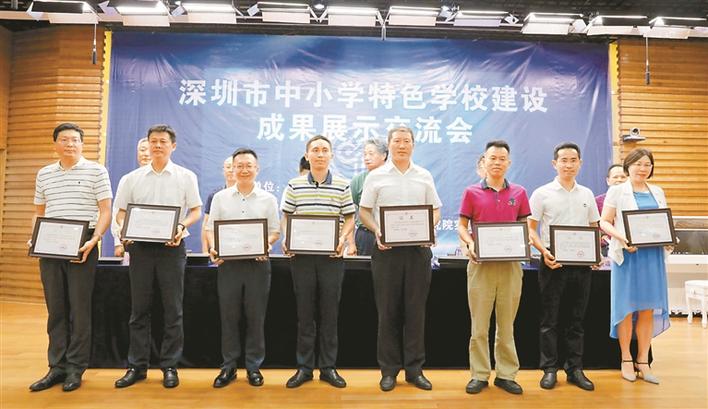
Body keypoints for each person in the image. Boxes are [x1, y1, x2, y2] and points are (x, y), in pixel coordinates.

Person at [113, 124, 202, 389]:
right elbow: (120, 212)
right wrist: (124, 231)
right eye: (153, 141)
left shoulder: (186, 176)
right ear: (148, 145)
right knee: (139, 310)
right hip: (140, 249)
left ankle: (170, 366)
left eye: (163, 141)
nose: (158, 145)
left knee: (173, 310)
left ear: (173, 146)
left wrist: (181, 226)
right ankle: (137, 366)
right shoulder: (131, 178)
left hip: (172, 249)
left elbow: (196, 211)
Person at [29, 123, 112, 392]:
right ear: (55, 144)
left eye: (75, 140)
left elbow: (105, 211)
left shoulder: (97, 171)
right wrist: (35, 238)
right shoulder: (44, 173)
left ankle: (76, 367)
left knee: (79, 309)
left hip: (82, 244)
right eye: (64, 139)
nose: (70, 144)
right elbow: (39, 213)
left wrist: (94, 240)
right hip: (51, 243)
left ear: (82, 144)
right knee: (56, 309)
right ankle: (56, 366)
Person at [359, 126, 442, 392]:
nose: (402, 145)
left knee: (415, 312)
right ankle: (389, 371)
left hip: (418, 251)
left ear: (413, 145)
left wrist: (429, 229)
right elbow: (364, 212)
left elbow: (436, 211)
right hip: (386, 252)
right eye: (397, 141)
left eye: (407, 141)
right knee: (388, 312)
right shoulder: (376, 176)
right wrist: (377, 230)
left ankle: (415, 370)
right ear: (390, 145)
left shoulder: (424, 175)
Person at [280, 135, 355, 389]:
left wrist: (342, 239)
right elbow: (286, 215)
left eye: (324, 150)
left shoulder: (343, 185)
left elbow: (350, 218)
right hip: (302, 258)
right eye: (315, 150)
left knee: (329, 314)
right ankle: (304, 368)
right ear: (307, 155)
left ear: (331, 155)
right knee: (305, 314)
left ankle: (328, 367)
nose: (320, 154)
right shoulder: (294, 185)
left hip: (331, 258)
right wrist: (287, 238)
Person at [457, 140, 530, 395]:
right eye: (492, 158)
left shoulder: (519, 192)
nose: (497, 162)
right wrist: (469, 243)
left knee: (506, 325)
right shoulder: (471, 192)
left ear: (508, 163)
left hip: (510, 266)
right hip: (481, 266)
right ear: (484, 161)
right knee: (479, 326)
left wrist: (524, 242)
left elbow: (525, 225)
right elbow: (462, 226)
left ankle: (506, 375)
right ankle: (479, 374)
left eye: (502, 158)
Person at [528, 142, 599, 392]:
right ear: (554, 163)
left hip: (581, 263)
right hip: (553, 261)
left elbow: (594, 227)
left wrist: (595, 254)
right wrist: (543, 252)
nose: (568, 165)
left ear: (580, 163)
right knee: (550, 319)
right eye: (563, 160)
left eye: (573, 160)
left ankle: (575, 369)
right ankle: (549, 369)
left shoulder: (587, 194)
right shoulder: (542, 193)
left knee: (576, 319)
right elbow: (531, 229)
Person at [206, 148, 280, 388]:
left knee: (255, 317)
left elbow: (275, 231)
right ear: (232, 169)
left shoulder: (268, 199)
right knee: (229, 317)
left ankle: (253, 367)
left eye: (249, 165)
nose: (244, 170)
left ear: (257, 169)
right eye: (239, 166)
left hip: (257, 266)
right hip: (229, 265)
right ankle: (228, 367)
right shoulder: (220, 198)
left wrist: (265, 244)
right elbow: (210, 228)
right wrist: (215, 247)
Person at [599, 148, 671, 384]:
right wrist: (622, 238)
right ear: (628, 166)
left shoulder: (657, 191)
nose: (643, 168)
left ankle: (643, 361)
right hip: (628, 255)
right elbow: (604, 222)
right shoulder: (617, 191)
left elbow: (662, 222)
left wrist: (669, 237)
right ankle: (626, 359)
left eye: (647, 164)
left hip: (652, 256)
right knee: (627, 308)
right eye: (638, 164)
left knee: (647, 309)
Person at [112, 137, 150, 257]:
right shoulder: (128, 179)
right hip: (132, 240)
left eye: (149, 150)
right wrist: (118, 242)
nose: (146, 154)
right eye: (142, 150)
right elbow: (117, 211)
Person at [349, 138, 388, 256]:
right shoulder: (358, 180)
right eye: (365, 154)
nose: (366, 158)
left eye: (371, 154)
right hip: (365, 235)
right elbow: (349, 213)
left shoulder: (393, 178)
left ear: (384, 155)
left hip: (389, 233)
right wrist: (351, 243)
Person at [201, 156, 237, 252]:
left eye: (234, 167)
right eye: (228, 167)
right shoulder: (215, 196)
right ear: (223, 170)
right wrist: (205, 251)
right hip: (219, 247)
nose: (231, 170)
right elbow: (206, 224)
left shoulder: (246, 194)